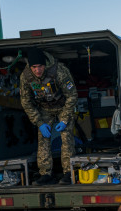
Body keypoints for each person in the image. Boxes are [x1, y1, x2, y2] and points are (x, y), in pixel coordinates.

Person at [19, 47, 78, 185]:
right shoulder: (25, 76)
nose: (37, 70)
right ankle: (45, 174)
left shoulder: (59, 71)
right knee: (43, 139)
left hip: (63, 106)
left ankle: (68, 173)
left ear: (45, 64)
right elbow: (25, 102)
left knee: (66, 137)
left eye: (40, 66)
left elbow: (72, 95)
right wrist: (39, 122)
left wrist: (64, 119)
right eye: (34, 67)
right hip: (45, 109)